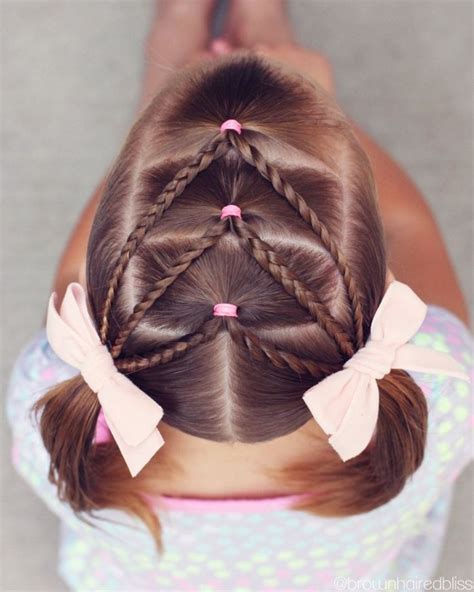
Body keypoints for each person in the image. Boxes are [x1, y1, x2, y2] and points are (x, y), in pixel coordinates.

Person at [6, 1, 472, 590]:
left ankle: (183, 66)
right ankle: (264, 38)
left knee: (189, 84)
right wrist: (317, 110)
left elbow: (75, 268)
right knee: (265, 72)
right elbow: (409, 227)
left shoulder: (53, 391)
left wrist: (164, 115)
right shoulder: (438, 387)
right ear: (374, 283)